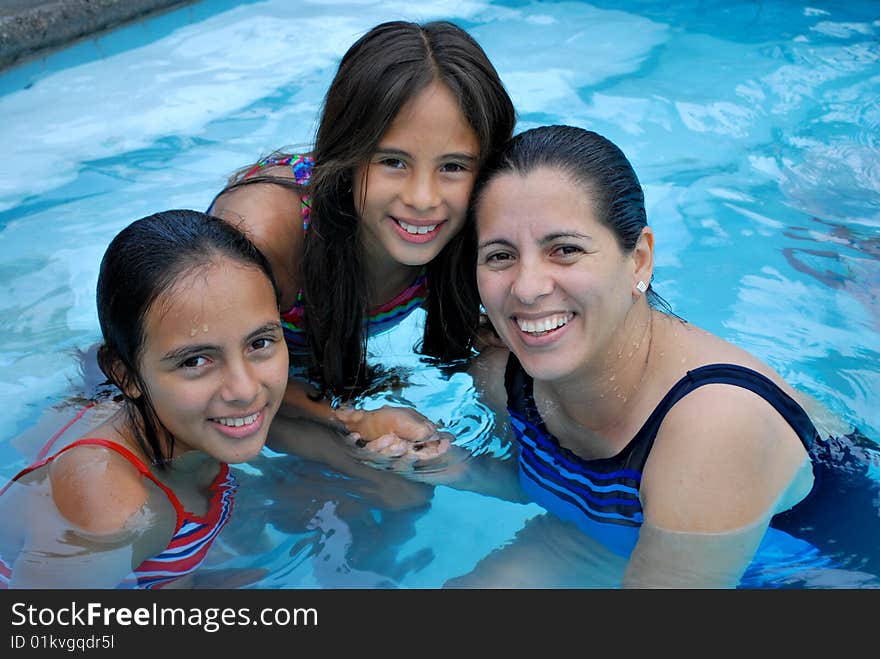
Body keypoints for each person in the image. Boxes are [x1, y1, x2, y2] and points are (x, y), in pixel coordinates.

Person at [440, 124, 879, 588]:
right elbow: (562, 488)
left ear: (640, 260)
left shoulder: (715, 426)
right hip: (617, 536)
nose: (527, 288)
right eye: (501, 256)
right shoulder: (504, 374)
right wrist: (455, 466)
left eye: (565, 250)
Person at [207, 19, 516, 458]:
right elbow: (212, 377)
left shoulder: (482, 217)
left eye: (453, 166)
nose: (423, 199)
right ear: (347, 155)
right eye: (393, 161)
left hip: (312, 374)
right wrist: (350, 416)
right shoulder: (264, 233)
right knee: (399, 491)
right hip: (232, 391)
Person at [0, 209, 290, 589]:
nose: (246, 390)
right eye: (196, 360)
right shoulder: (112, 508)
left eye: (260, 342)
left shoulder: (186, 431)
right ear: (126, 376)